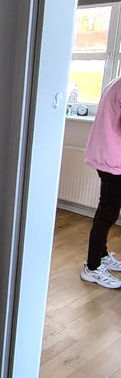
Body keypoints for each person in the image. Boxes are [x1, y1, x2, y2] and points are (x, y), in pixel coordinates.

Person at [82, 76, 121, 289]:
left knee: (105, 210)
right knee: (108, 213)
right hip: (113, 160)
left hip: (106, 155)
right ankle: (92, 267)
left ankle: (102, 255)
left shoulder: (117, 81)